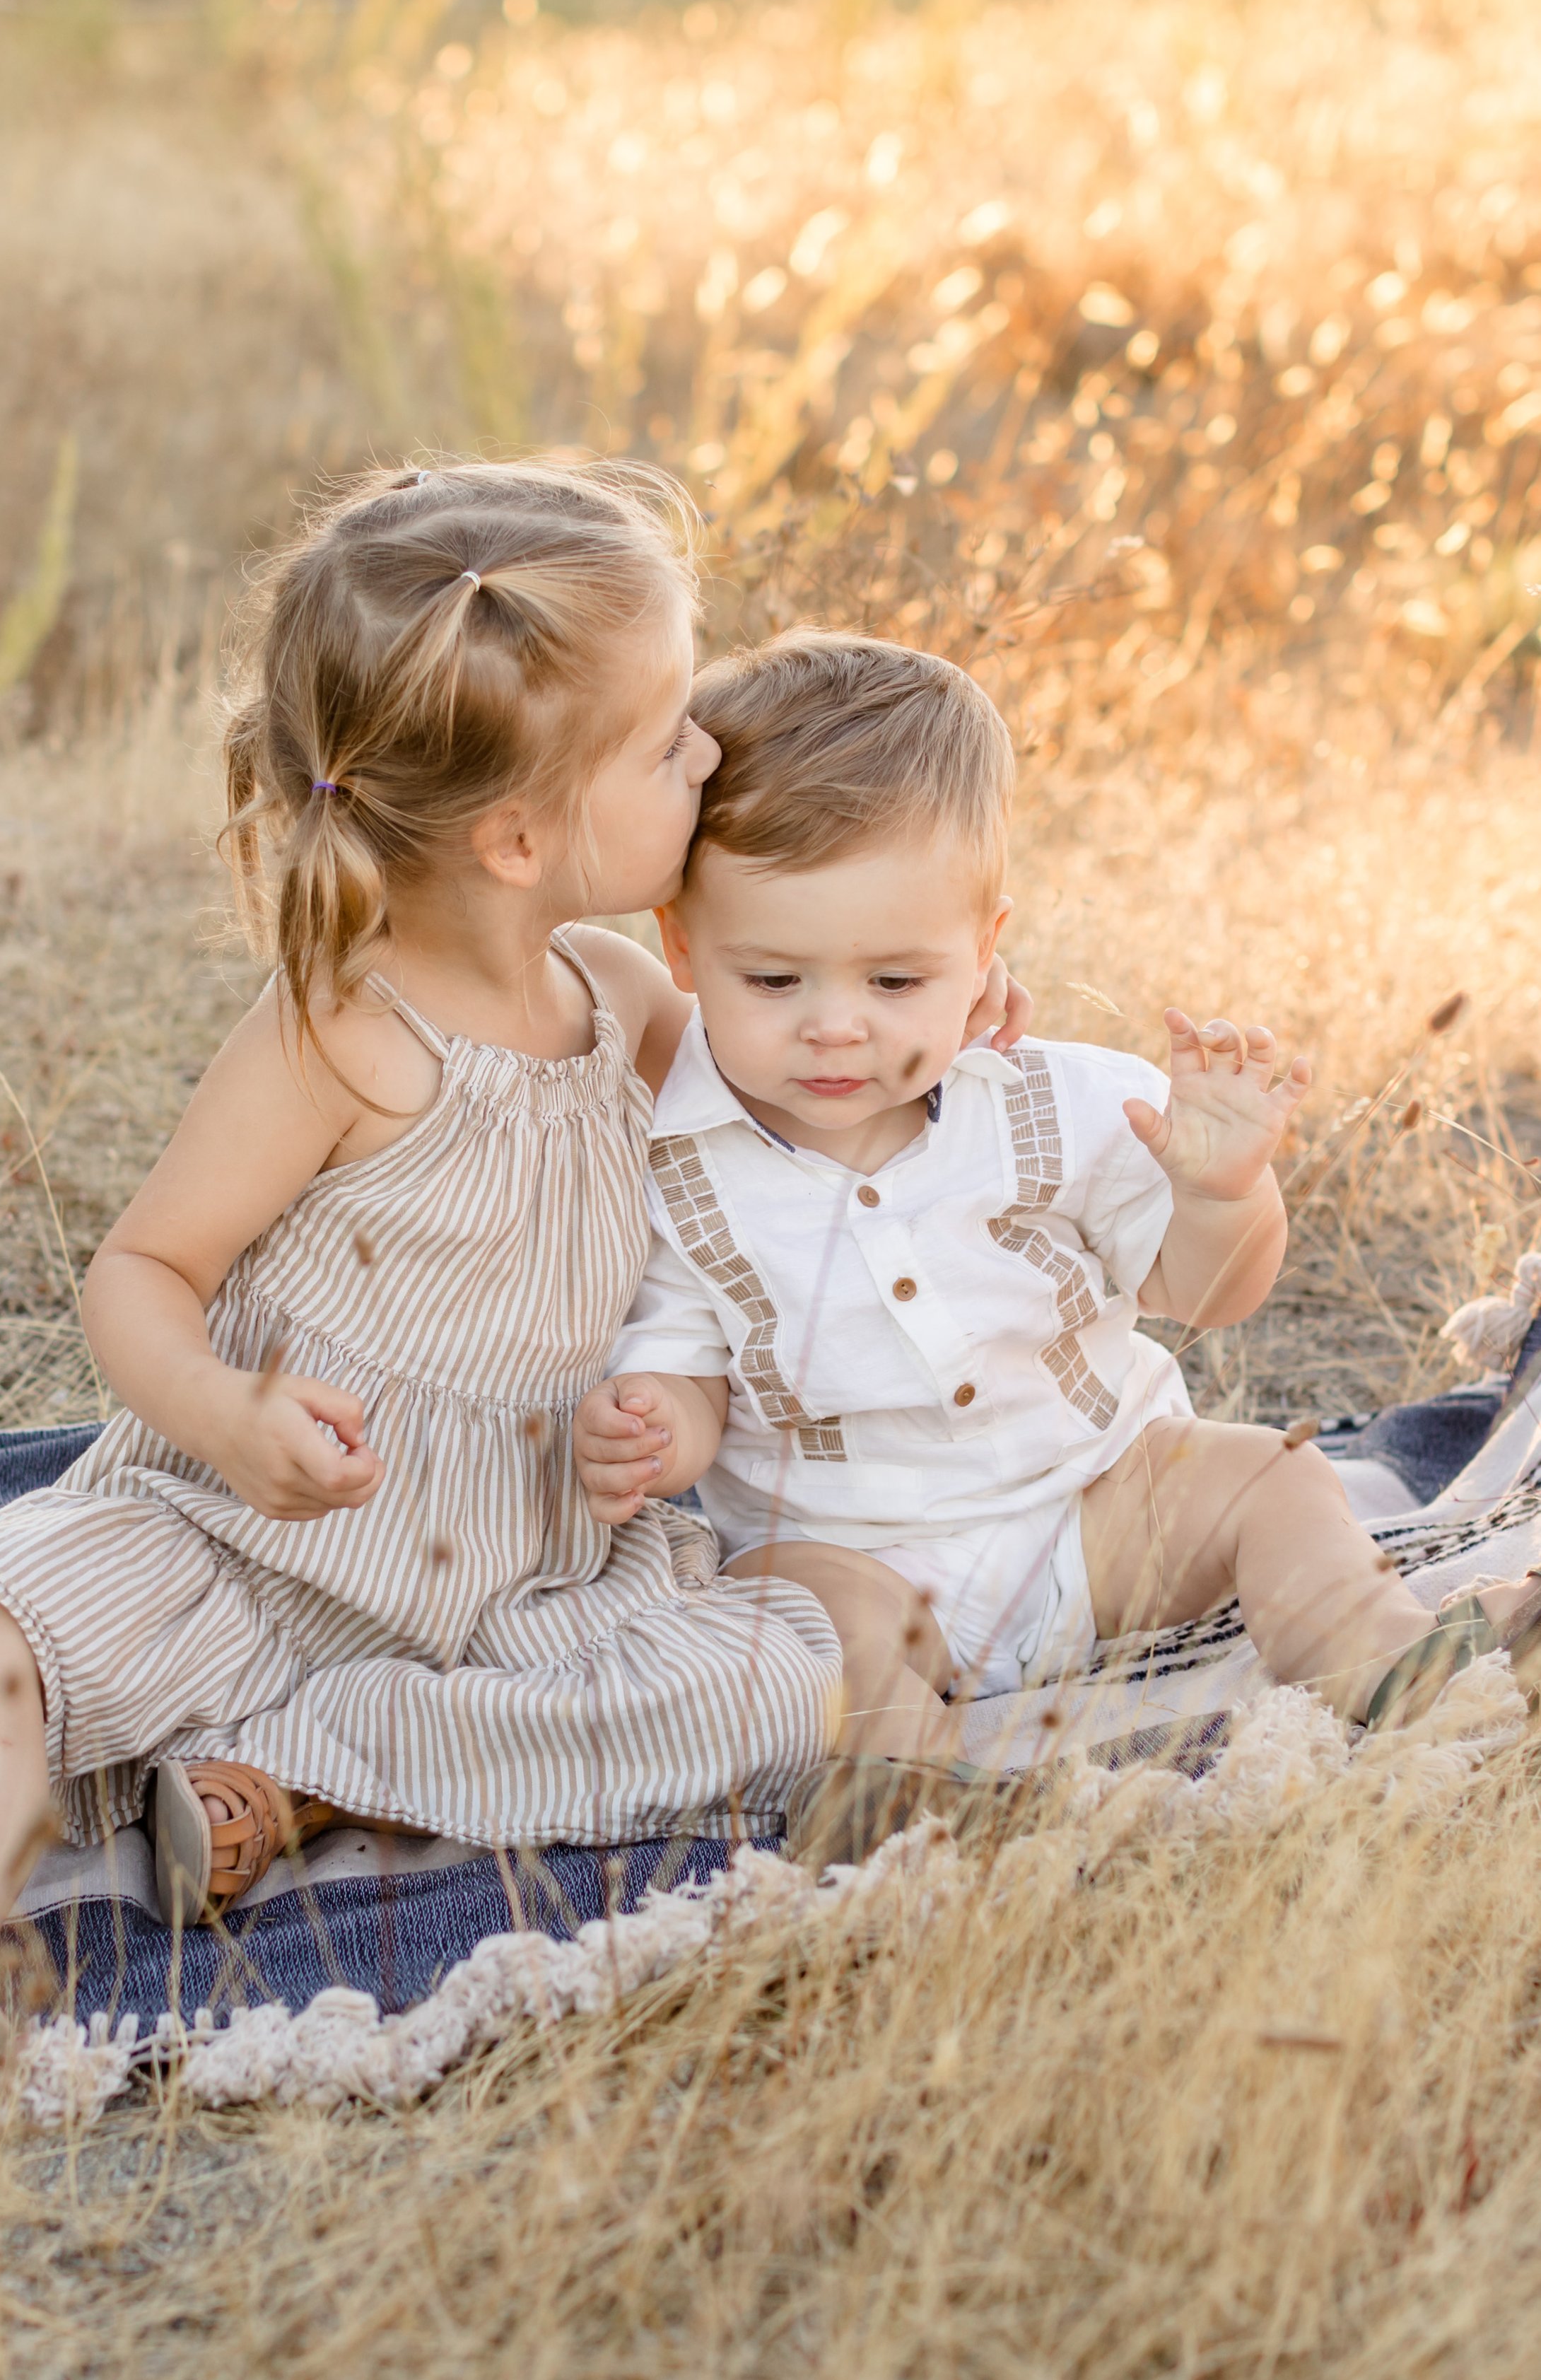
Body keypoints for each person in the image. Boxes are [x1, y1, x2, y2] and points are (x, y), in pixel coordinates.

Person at [0, 467, 1022, 2103]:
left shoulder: (624, 996)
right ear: (517, 836)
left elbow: (805, 1108)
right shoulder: (338, 1034)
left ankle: (286, 1781)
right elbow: (143, 1272)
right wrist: (224, 1415)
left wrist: (958, 1046)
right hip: (256, 1542)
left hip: (528, 1571)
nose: (707, 755)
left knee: (782, 1667)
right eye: (665, 746)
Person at [570, 630, 1541, 1866]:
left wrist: (1219, 1190)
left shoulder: (1054, 1105)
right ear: (683, 949)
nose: (835, 1027)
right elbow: (690, 1366)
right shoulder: (678, 1160)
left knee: (1270, 1475)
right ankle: (912, 1791)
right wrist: (656, 1421)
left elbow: (1208, 1293)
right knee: (794, 1610)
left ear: (986, 951)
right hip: (858, 1555)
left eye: (895, 980)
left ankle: (1395, 1665)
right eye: (773, 979)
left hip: (1095, 1511)